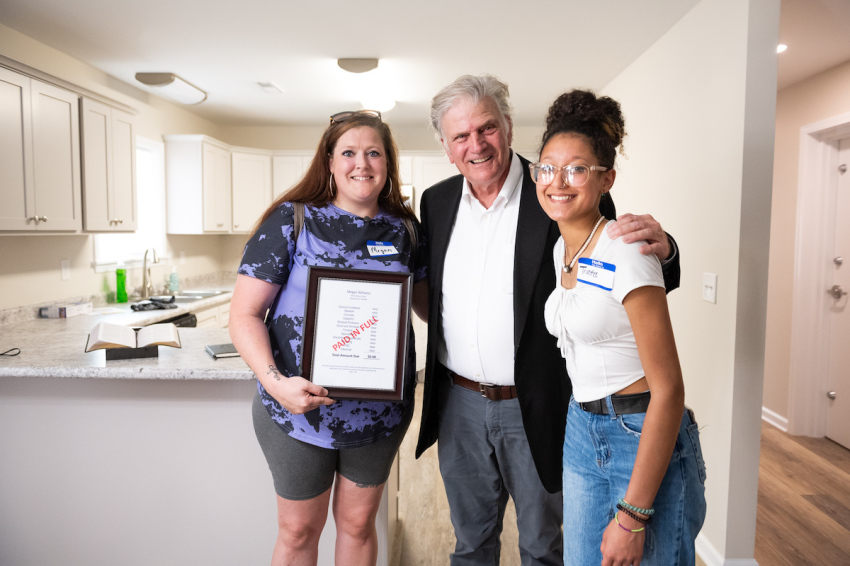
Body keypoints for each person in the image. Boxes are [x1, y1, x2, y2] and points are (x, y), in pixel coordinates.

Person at [413, 74, 682, 565]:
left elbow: (619, 252)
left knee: (542, 545)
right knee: (470, 543)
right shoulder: (437, 202)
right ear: (447, 148)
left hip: (535, 404)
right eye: (460, 136)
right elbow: (427, 288)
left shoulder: (557, 191)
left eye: (487, 128)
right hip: (459, 405)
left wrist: (667, 252)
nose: (476, 145)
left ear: (509, 128)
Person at [229, 110, 428, 566]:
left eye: (374, 152)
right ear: (330, 161)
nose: (363, 163)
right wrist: (278, 383)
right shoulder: (292, 220)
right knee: (299, 531)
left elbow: (425, 306)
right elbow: (244, 315)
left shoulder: (407, 231)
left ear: (388, 163)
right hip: (296, 410)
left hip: (379, 411)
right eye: (350, 152)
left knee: (359, 526)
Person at [535, 89, 706, 565]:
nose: (558, 181)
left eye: (577, 168)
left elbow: (669, 389)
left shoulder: (626, 248)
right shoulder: (562, 248)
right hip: (581, 429)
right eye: (548, 167)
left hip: (639, 431)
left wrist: (632, 516)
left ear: (606, 178)